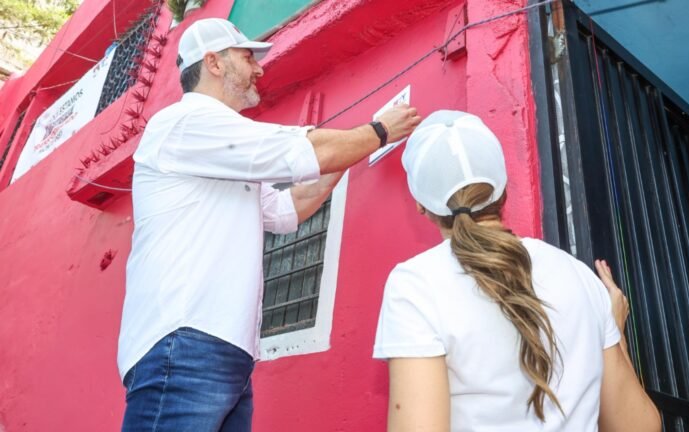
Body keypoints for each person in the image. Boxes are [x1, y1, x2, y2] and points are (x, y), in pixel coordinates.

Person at [117, 18, 421, 431]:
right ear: (215, 63)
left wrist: (356, 147)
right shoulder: (185, 123)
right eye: (248, 57)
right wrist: (380, 131)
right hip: (183, 344)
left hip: (225, 352)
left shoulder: (221, 153)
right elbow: (301, 150)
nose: (259, 68)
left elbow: (288, 209)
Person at [372, 110, 660, 431]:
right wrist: (614, 330)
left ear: (422, 205)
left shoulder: (415, 285)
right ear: (503, 188)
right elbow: (640, 427)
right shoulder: (578, 275)